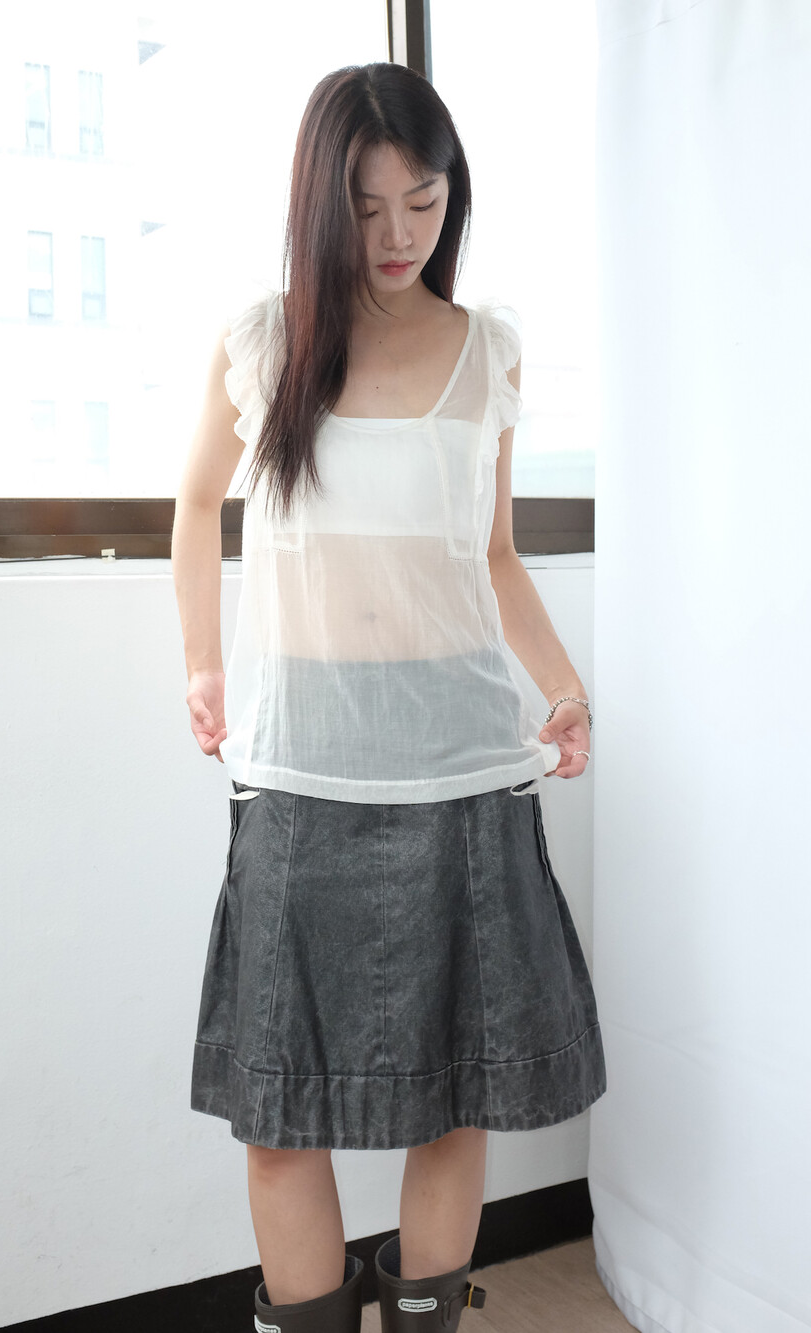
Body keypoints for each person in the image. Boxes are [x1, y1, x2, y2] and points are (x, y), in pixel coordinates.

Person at [171, 61, 606, 1333]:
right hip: (301, 768)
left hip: (462, 768)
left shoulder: (488, 351)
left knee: (455, 1096)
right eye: (367, 209)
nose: (399, 234)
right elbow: (193, 505)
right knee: (278, 1112)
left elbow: (493, 554)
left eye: (423, 200)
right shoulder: (264, 342)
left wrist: (563, 685)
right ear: (320, 204)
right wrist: (201, 662)